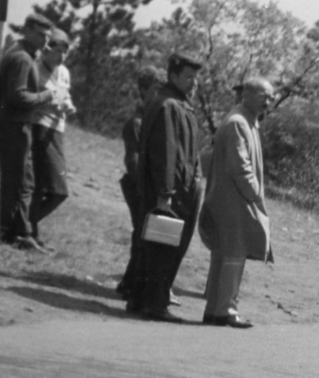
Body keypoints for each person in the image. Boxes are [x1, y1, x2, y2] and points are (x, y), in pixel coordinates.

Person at [129, 51, 205, 323]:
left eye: (196, 78)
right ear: (173, 76)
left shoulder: (175, 103)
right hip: (169, 192)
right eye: (188, 77)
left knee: (155, 245)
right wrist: (165, 194)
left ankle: (141, 301)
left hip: (175, 188)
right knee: (163, 247)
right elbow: (166, 152)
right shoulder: (170, 105)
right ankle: (154, 304)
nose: (193, 83)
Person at [199, 77, 274, 328]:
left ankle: (215, 310)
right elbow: (240, 166)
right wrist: (254, 194)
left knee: (225, 256)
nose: (269, 102)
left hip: (231, 201)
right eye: (265, 97)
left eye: (271, 97)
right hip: (234, 202)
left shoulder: (246, 121)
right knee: (233, 255)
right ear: (248, 95)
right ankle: (226, 311)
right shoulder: (237, 123)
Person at [0, 14, 56, 250]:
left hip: (15, 125)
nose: (45, 41)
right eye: (41, 34)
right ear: (27, 30)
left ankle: (15, 231)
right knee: (18, 181)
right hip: (13, 126)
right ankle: (17, 233)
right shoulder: (20, 57)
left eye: (48, 36)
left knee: (21, 180)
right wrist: (45, 96)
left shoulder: (23, 53)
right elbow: (17, 95)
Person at [117, 67, 165, 300]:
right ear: (143, 91)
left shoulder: (155, 119)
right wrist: (143, 188)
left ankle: (130, 282)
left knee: (146, 236)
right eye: (156, 89)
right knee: (142, 235)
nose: (160, 95)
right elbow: (132, 160)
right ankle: (130, 284)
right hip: (139, 188)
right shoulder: (136, 123)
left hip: (151, 188)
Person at [26, 27, 76, 250]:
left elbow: (65, 94)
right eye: (57, 50)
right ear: (46, 50)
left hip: (58, 130)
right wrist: (55, 103)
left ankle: (29, 229)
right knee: (55, 189)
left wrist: (69, 105)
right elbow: (35, 99)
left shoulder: (64, 72)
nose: (62, 56)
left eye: (65, 51)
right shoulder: (36, 70)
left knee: (44, 187)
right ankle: (26, 226)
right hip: (40, 127)